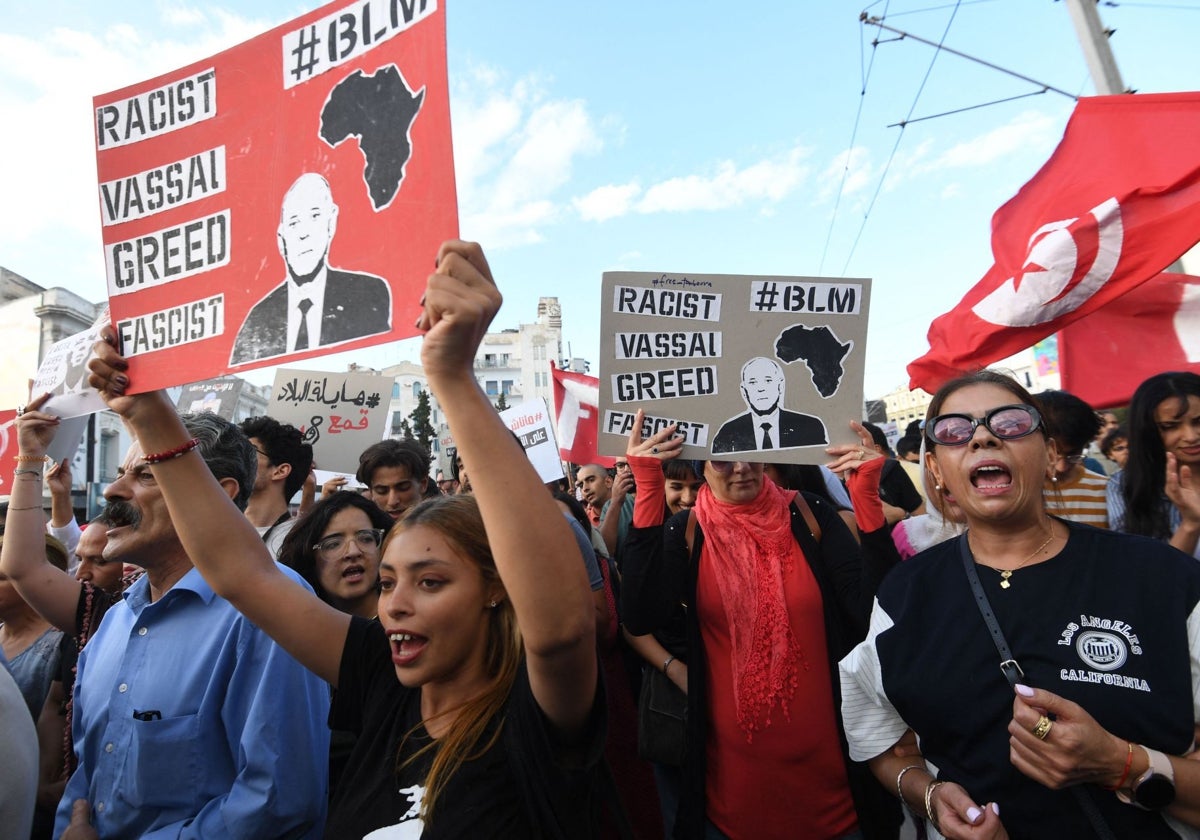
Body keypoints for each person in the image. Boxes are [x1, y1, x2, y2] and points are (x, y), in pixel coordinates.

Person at [88, 240, 607, 837]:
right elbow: (243, 574)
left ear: (497, 589)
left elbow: (564, 629)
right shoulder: (382, 677)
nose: (394, 605)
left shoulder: (533, 714)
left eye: (430, 581)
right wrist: (149, 416)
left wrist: (452, 377)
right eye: (388, 582)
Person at [840, 370, 1200, 838]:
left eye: (1010, 423)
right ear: (936, 470)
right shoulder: (902, 596)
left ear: (1050, 453)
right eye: (953, 431)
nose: (983, 437)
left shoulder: (1161, 577)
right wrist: (929, 795)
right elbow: (883, 743)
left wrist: (1121, 763)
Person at [5, 396, 331, 839]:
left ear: (216, 491)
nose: (112, 493)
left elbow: (278, 801)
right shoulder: (114, 623)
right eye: (122, 474)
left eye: (144, 475)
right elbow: (89, 778)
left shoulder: (267, 613)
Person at [621, 409, 900, 839]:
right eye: (721, 459)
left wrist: (867, 507)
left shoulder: (811, 515)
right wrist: (647, 495)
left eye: (750, 452)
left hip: (835, 786)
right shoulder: (686, 532)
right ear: (701, 468)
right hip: (733, 792)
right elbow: (640, 616)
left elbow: (873, 617)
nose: (741, 467)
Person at [229, 173, 392, 365]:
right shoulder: (257, 321)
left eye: (314, 216)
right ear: (281, 239)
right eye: (294, 223)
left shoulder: (366, 295)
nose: (303, 233)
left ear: (331, 223)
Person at [1108, 372, 1200, 558]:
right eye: (1170, 426)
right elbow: (1149, 578)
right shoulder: (1124, 486)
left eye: (1198, 422)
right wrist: (1190, 524)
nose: (1190, 436)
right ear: (1147, 431)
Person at [279, 491, 392, 619]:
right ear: (310, 559)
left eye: (366, 538)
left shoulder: (407, 623)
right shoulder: (297, 630)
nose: (353, 552)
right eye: (333, 544)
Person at [712, 356, 828, 453]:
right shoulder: (728, 433)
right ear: (744, 390)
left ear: (780, 385)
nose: (760, 389)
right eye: (752, 382)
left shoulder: (810, 427)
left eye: (768, 380)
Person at [239, 415, 313, 558]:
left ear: (280, 471)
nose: (237, 457)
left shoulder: (301, 543)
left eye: (249, 451)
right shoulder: (219, 528)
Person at [1037, 389, 1109, 528]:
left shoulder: (1105, 490)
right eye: (1053, 453)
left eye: (1073, 454)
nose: (1061, 467)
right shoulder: (1016, 492)